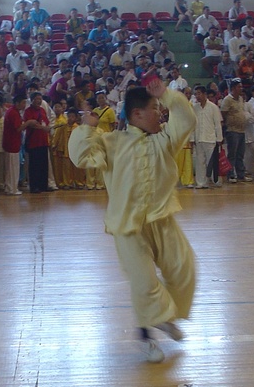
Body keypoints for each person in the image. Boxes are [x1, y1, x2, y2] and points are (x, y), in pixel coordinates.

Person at [69, 79, 196, 364]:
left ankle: (163, 317)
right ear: (137, 114)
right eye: (155, 109)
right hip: (127, 226)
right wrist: (87, 128)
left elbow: (186, 118)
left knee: (184, 269)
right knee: (144, 283)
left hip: (162, 220)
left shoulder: (165, 140)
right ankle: (146, 337)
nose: (160, 114)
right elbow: (80, 158)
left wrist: (167, 95)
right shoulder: (111, 142)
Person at [191, 85, 223, 189]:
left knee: (212, 162)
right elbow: (192, 124)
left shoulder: (213, 107)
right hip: (199, 138)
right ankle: (201, 182)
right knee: (200, 162)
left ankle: (216, 181)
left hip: (210, 138)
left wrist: (219, 139)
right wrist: (192, 139)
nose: (197, 96)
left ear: (205, 94)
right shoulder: (194, 108)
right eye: (195, 94)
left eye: (199, 93)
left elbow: (217, 124)